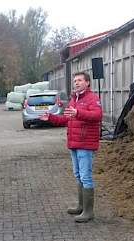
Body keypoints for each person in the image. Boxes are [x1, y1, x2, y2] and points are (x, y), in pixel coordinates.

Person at [39, 72, 102, 222]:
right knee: (78, 175)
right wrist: (51, 118)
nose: (76, 83)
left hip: (85, 144)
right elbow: (66, 119)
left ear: (87, 83)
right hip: (73, 143)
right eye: (75, 81)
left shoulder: (92, 98)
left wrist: (78, 112)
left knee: (86, 177)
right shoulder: (74, 99)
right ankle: (81, 207)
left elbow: (97, 115)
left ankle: (88, 212)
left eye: (80, 80)